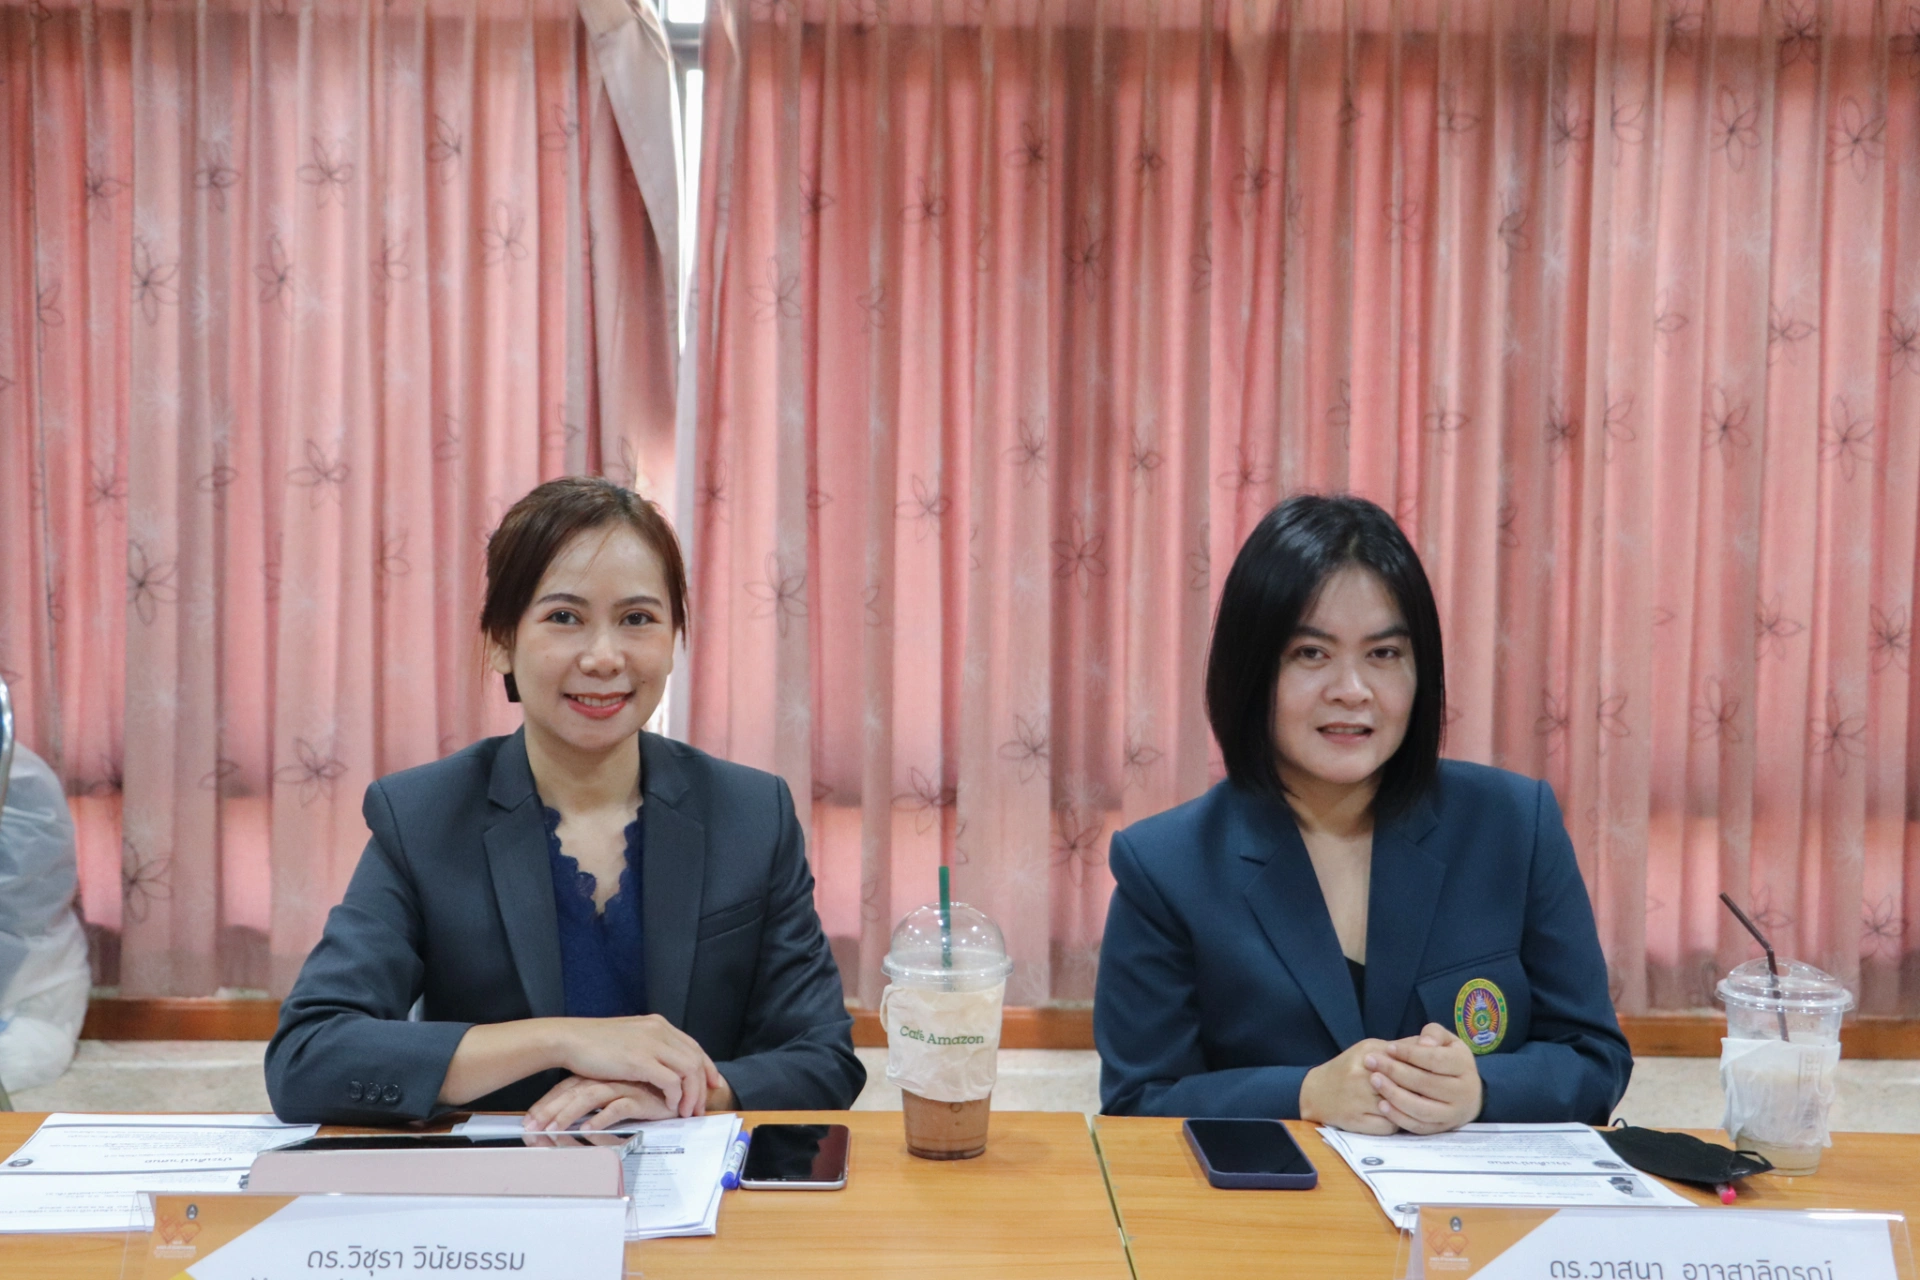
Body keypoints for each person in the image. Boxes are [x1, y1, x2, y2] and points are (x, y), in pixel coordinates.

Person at [266, 477, 863, 1127]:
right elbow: (307, 1057)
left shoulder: (751, 814)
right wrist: (560, 1039)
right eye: (564, 618)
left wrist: (687, 1095)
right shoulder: (423, 817)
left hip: (699, 1178)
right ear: (502, 639)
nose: (604, 658)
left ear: (674, 639)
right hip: (503, 1182)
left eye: (637, 619)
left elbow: (823, 1057)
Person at [1095, 493, 1630, 1132]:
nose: (1352, 691)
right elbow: (1139, 1104)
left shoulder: (1515, 824)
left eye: (1383, 655)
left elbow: (1594, 1058)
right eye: (1310, 653)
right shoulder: (1165, 867)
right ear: (1250, 671)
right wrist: (1304, 1095)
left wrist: (1482, 1090)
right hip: (1273, 1195)